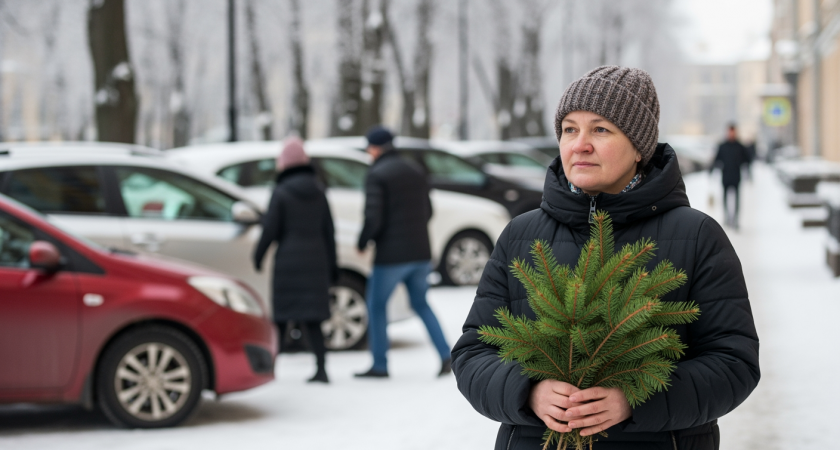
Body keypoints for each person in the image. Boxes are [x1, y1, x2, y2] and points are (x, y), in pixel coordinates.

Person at [452, 66, 760, 450]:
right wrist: (527, 391)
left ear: (638, 148)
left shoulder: (698, 236)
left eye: (600, 129)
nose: (580, 144)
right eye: (569, 129)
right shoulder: (521, 235)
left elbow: (734, 363)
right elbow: (474, 352)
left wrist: (635, 399)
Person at [354, 126, 452, 378]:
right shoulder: (415, 169)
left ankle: (379, 364)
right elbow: (428, 211)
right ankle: (445, 355)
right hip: (420, 251)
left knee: (376, 305)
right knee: (421, 303)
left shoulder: (376, 173)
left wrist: (363, 241)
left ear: (376, 148)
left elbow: (373, 217)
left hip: (391, 256)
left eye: (369, 147)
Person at [253, 137, 337, 383]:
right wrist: (332, 267)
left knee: (281, 320)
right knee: (314, 320)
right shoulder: (319, 190)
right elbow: (328, 231)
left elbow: (270, 228)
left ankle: (271, 368)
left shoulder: (281, 192)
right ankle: (321, 368)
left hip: (288, 262)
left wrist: (258, 255)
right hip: (316, 261)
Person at [710, 124, 752, 229]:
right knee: (724, 198)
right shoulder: (722, 146)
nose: (731, 134)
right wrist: (712, 169)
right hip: (726, 176)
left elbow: (747, 159)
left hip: (736, 176)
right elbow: (717, 159)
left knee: (737, 199)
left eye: (733, 132)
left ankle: (736, 219)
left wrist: (743, 165)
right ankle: (727, 217)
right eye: (730, 132)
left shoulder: (740, 146)